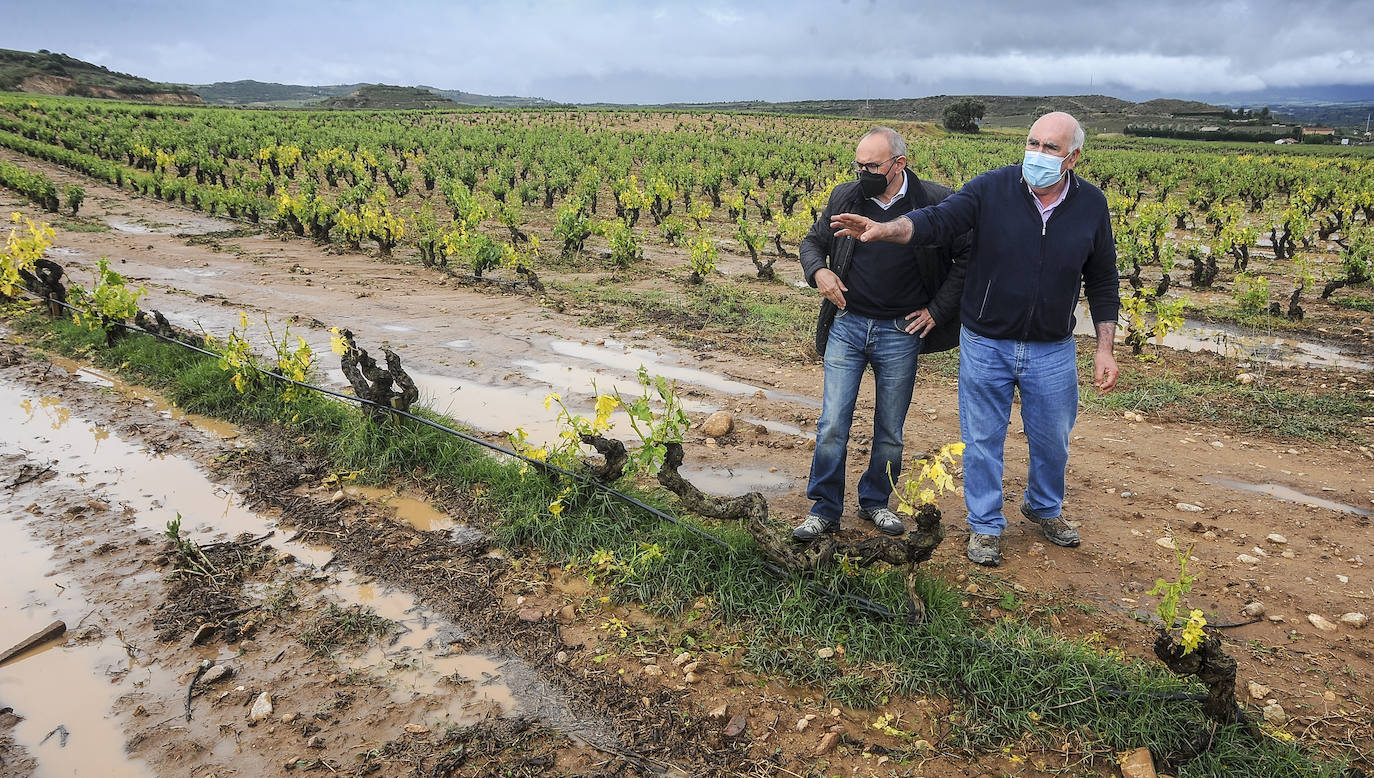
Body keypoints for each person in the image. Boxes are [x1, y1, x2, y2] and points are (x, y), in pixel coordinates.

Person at [831, 112, 1120, 567]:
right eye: (1032, 143)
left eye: (1050, 148)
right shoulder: (992, 190)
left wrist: (1104, 346)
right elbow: (935, 221)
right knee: (983, 438)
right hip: (987, 342)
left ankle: (1043, 506)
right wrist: (887, 229)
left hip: (1052, 347)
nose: (1037, 154)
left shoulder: (1091, 205)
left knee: (1053, 440)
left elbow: (1103, 278)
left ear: (1073, 157)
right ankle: (986, 525)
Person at [792, 127, 969, 541]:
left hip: (900, 331)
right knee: (833, 421)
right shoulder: (846, 196)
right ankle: (824, 508)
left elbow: (967, 257)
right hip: (848, 324)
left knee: (890, 427)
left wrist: (938, 311)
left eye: (872, 166)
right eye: (859, 165)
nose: (864, 173)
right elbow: (812, 243)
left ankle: (876, 502)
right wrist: (819, 272)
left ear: (898, 164)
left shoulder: (935, 201)